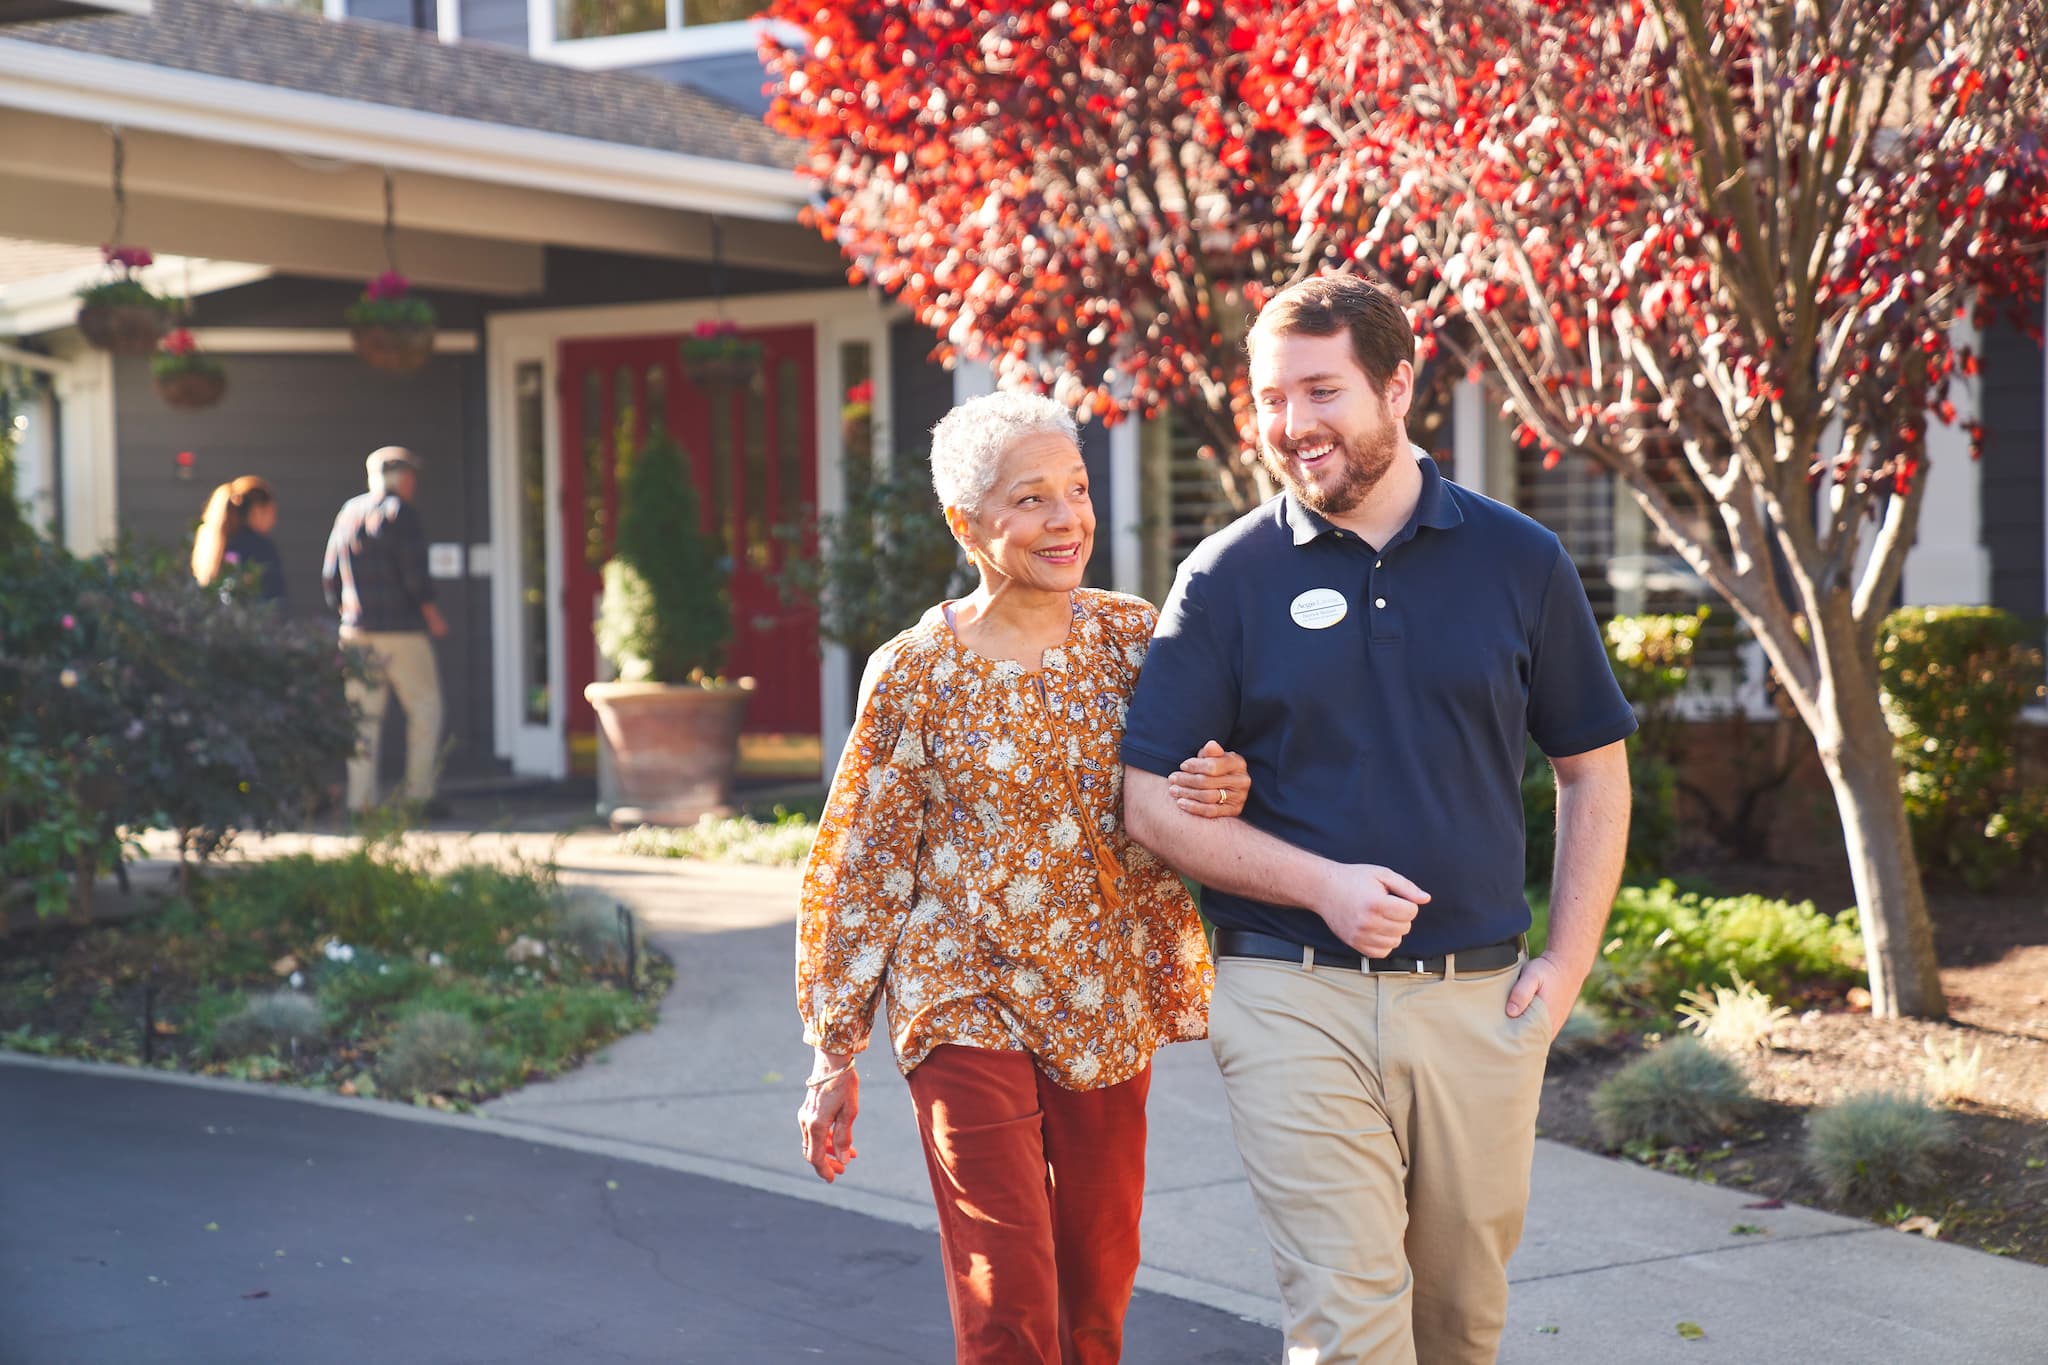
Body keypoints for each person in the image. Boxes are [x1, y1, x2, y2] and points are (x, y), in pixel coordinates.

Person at [1121, 271, 1635, 1365]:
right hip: (1285, 994)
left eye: (1319, 391)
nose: (1291, 426)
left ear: (1398, 386)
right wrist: (1320, 885)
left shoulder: (1519, 561)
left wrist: (1566, 962)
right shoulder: (1225, 577)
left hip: (1476, 1003)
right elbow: (1146, 803)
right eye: (1270, 398)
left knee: (1458, 1323)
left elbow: (1593, 770)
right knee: (1348, 1322)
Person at [794, 391, 1251, 1365]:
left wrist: (1220, 779)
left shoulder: (1133, 641)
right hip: (962, 1000)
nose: (1065, 518)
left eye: (1075, 491)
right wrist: (834, 1050)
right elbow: (860, 865)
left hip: (1100, 994)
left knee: (1094, 1284)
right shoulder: (913, 673)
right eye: (1030, 499)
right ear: (967, 523)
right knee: (1008, 1295)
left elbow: (1201, 776)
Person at [322, 446, 449, 815]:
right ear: (405, 478)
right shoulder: (400, 513)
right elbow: (415, 577)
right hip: (402, 630)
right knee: (425, 708)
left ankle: (359, 802)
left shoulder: (349, 513)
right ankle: (418, 796)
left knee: (363, 716)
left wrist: (347, 615)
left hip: (356, 630)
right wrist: (433, 616)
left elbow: (330, 578)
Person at [191, 475, 286, 605]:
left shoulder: (214, 545)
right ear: (257, 510)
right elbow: (274, 597)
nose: (274, 521)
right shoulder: (261, 548)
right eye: (271, 513)